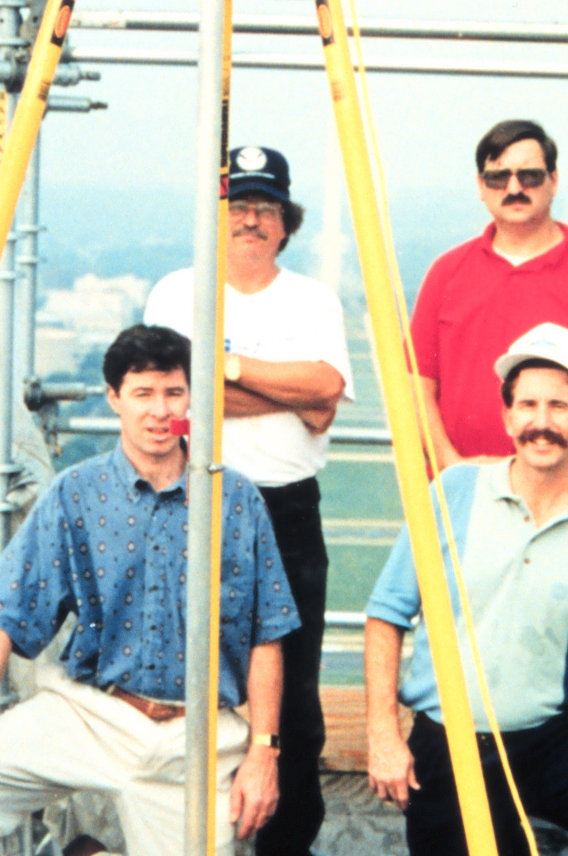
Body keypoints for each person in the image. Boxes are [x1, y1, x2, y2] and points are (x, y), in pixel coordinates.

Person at [0, 324, 299, 856]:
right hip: (90, 714)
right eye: (143, 394)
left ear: (194, 399)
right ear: (115, 399)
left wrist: (263, 753)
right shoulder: (75, 494)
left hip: (196, 737)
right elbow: (1, 616)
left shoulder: (236, 501)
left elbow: (266, 637)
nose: (160, 411)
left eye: (174, 393)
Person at [364, 323, 568, 856]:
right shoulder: (455, 491)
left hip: (551, 736)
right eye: (527, 404)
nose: (541, 422)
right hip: (449, 741)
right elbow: (386, 616)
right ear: (507, 415)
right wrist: (382, 734)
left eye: (559, 406)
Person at [143, 144, 351, 856]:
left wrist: (222, 365)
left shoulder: (312, 298)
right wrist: (282, 390)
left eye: (266, 208)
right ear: (217, 216)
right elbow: (176, 406)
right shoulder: (177, 292)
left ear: (286, 224)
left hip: (286, 510)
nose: (252, 221)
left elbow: (325, 396)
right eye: (239, 207)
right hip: (192, 507)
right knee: (185, 676)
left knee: (293, 692)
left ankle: (285, 844)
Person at [412, 119, 568, 465]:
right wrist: (454, 469)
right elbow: (416, 385)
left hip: (559, 491)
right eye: (498, 178)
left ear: (554, 180)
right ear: (480, 185)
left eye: (530, 176)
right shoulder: (446, 273)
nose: (514, 188)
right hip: (459, 489)